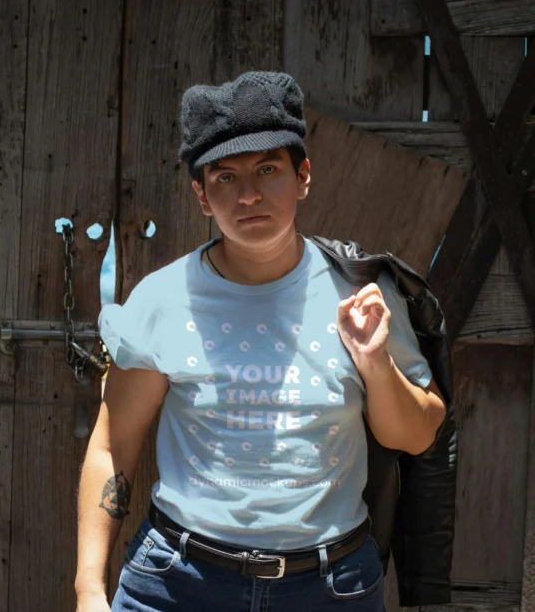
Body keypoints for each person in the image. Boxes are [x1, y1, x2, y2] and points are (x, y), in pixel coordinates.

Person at [74, 71, 448, 612]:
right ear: (202, 196)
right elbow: (113, 445)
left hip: (329, 587)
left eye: (268, 169)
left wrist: (373, 363)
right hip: (179, 585)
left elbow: (416, 436)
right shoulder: (163, 300)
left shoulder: (363, 292)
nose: (248, 195)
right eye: (225, 178)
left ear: (303, 177)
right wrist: (88, 587)